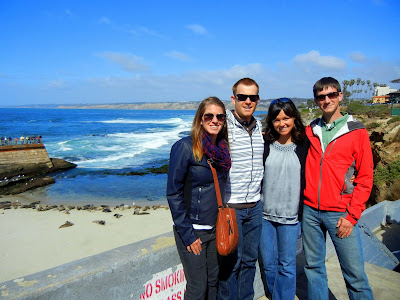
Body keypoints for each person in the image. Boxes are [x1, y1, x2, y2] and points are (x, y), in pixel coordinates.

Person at [302, 77, 374, 299]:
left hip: (341, 213)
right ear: (316, 100)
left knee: (355, 276)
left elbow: (365, 176)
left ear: (340, 96)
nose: (327, 100)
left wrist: (352, 216)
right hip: (310, 211)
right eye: (321, 97)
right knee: (313, 269)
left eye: (331, 95)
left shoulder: (356, 131)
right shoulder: (311, 130)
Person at [167, 96, 231, 300]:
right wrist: (187, 233)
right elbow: (173, 193)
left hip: (215, 228)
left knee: (213, 281)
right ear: (200, 119)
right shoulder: (185, 147)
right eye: (209, 116)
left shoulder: (222, 151)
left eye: (220, 116)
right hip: (194, 230)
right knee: (197, 287)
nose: (215, 120)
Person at [218, 78, 264, 300]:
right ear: (233, 98)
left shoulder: (259, 126)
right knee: (231, 266)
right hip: (231, 207)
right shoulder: (223, 125)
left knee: (249, 262)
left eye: (252, 97)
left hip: (255, 206)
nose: (248, 101)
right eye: (242, 97)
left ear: (258, 99)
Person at [259, 98, 309, 300]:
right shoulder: (265, 144)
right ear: (271, 122)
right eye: (277, 119)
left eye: (286, 118)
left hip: (291, 218)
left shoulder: (305, 144)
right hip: (264, 216)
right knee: (269, 265)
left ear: (294, 118)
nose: (282, 123)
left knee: (287, 265)